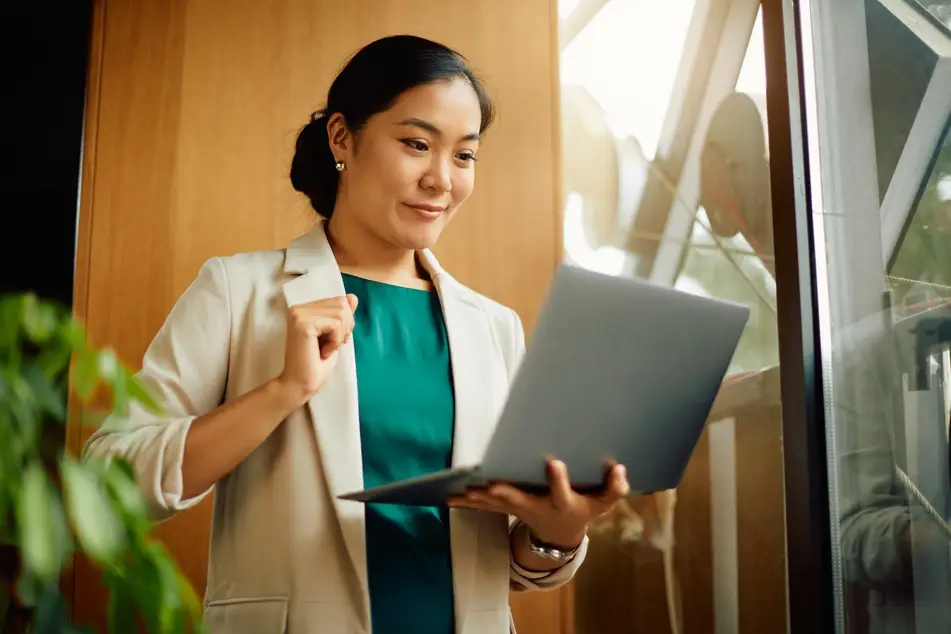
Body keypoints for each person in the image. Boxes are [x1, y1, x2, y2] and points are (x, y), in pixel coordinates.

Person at [83, 34, 629, 634]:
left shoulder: (494, 328)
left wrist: (559, 532)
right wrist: (282, 392)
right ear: (343, 137)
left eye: (464, 155)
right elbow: (109, 484)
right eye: (417, 144)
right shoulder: (237, 290)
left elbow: (503, 564)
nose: (442, 180)